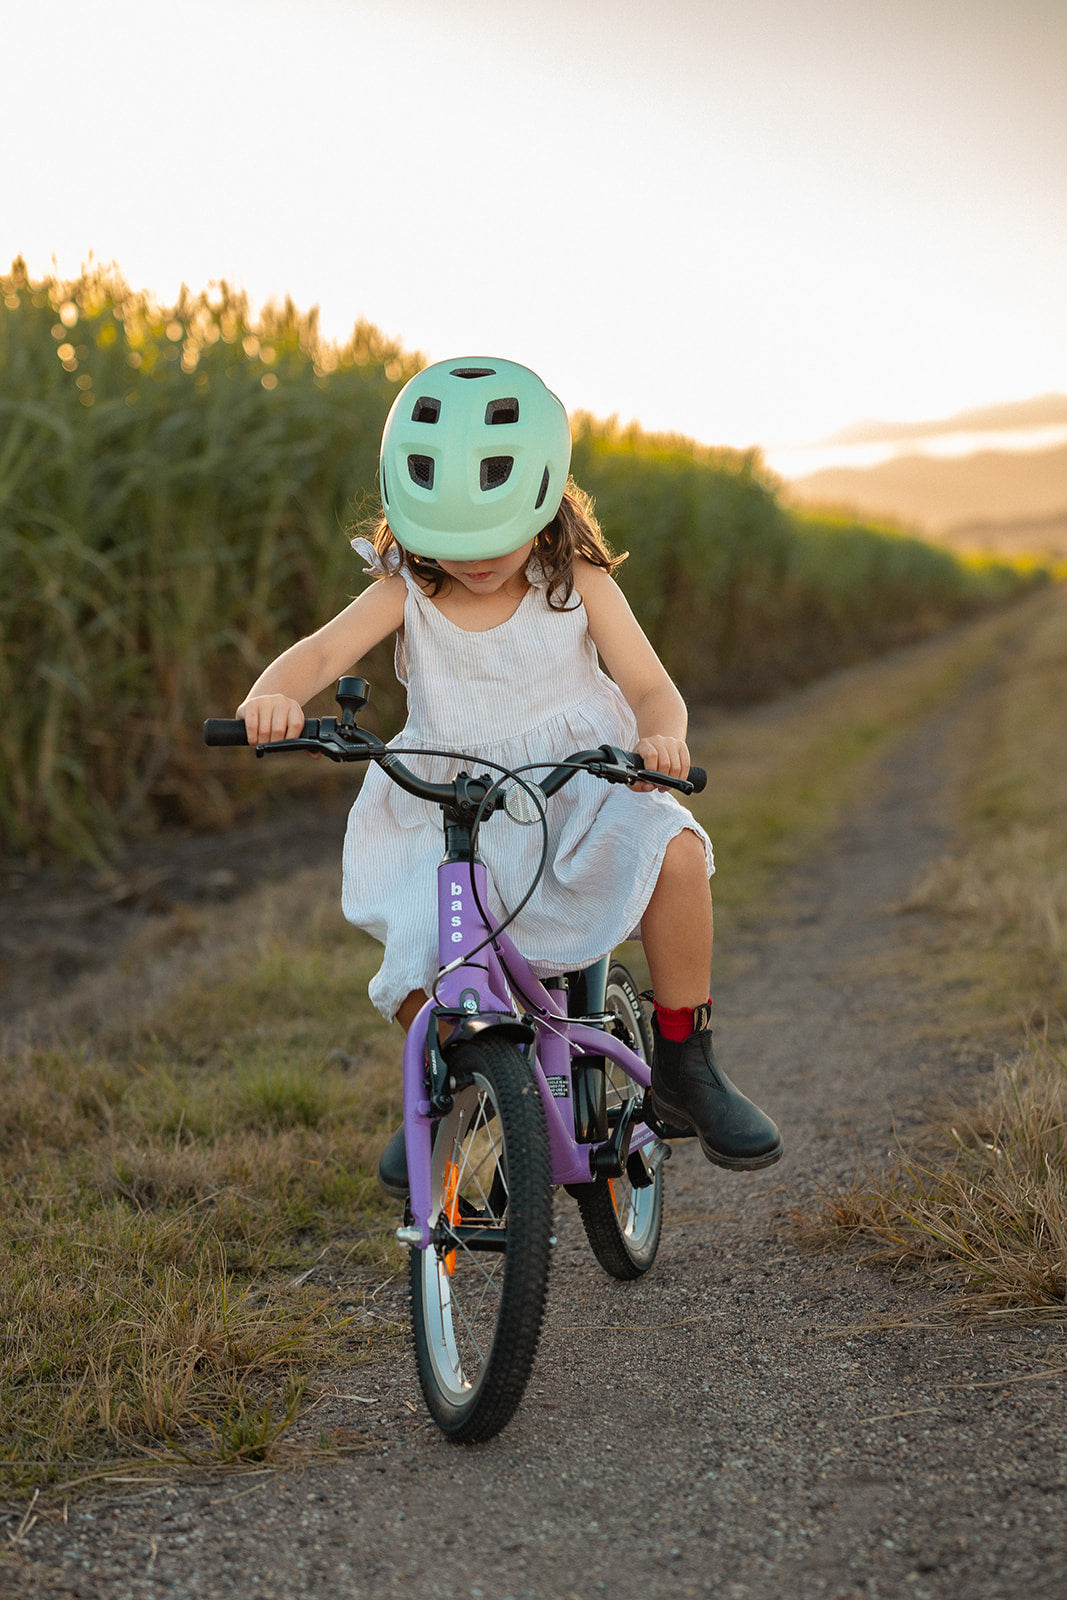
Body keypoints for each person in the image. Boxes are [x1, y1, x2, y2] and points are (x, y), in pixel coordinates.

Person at [237, 357, 782, 1193]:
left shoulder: (575, 583)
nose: (476, 561)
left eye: (496, 539)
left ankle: (685, 1059)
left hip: (578, 784)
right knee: (423, 941)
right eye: (451, 543)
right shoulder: (405, 591)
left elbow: (647, 685)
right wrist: (272, 694)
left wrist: (661, 737)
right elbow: (319, 653)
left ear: (543, 505)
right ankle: (441, 1093)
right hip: (454, 801)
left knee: (671, 850)